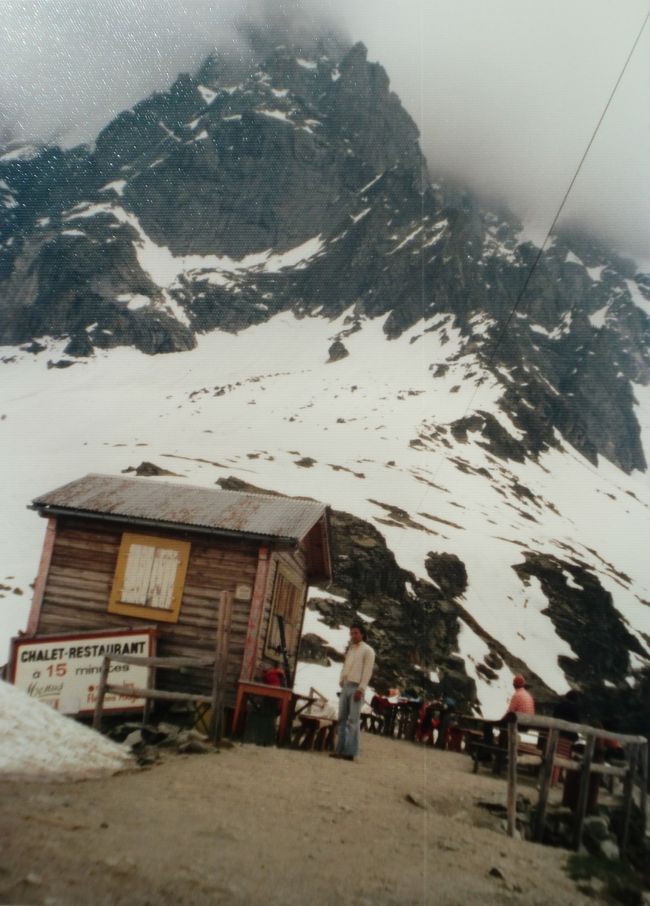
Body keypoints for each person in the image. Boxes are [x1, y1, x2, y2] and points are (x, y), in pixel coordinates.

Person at [330, 622, 375, 762]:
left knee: (353, 720)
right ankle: (339, 750)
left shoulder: (368, 650)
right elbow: (346, 666)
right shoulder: (351, 649)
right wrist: (342, 679)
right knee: (341, 719)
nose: (353, 635)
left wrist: (361, 689)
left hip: (357, 688)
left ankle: (350, 752)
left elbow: (367, 671)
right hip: (346, 686)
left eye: (356, 633)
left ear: (362, 634)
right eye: (352, 633)